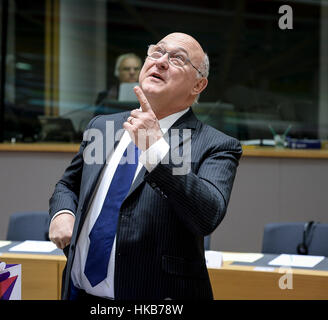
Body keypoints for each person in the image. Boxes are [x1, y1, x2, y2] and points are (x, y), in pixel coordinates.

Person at [49, 32, 242, 300]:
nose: (161, 61)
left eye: (177, 59)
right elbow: (68, 185)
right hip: (78, 292)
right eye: (157, 52)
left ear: (198, 85)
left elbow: (206, 216)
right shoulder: (103, 127)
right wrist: (62, 212)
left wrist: (155, 148)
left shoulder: (216, 145)